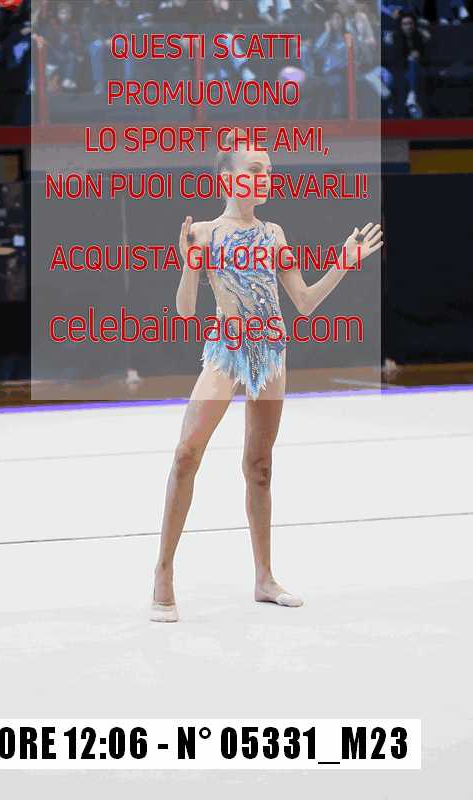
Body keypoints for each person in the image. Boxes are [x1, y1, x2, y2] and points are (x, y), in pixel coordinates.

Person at [150, 128, 383, 622]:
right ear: (227, 178)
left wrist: (343, 262)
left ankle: (264, 578)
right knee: (187, 453)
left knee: (259, 466)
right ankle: (163, 574)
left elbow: (304, 301)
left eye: (269, 172)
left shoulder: (274, 234)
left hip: (271, 352)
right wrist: (189, 265)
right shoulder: (203, 233)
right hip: (226, 351)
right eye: (254, 170)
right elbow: (186, 311)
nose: (264, 178)